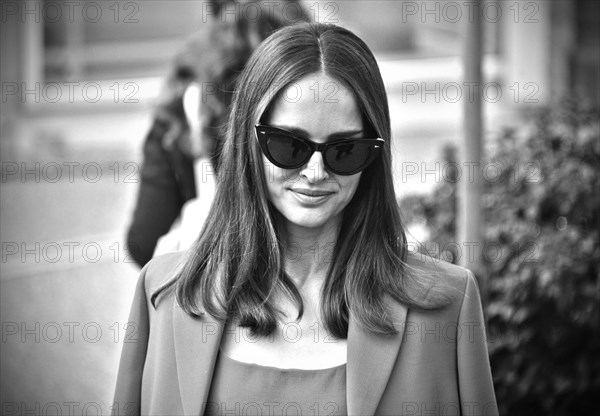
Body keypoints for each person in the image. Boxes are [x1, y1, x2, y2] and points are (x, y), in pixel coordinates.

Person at [112, 23, 498, 415]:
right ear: (248, 141)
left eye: (344, 150)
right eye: (288, 145)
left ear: (374, 155)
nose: (315, 172)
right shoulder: (163, 296)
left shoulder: (446, 305)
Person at [126, 0, 310, 267]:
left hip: (217, 286)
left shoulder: (186, 102)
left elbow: (143, 242)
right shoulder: (310, 75)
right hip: (308, 280)